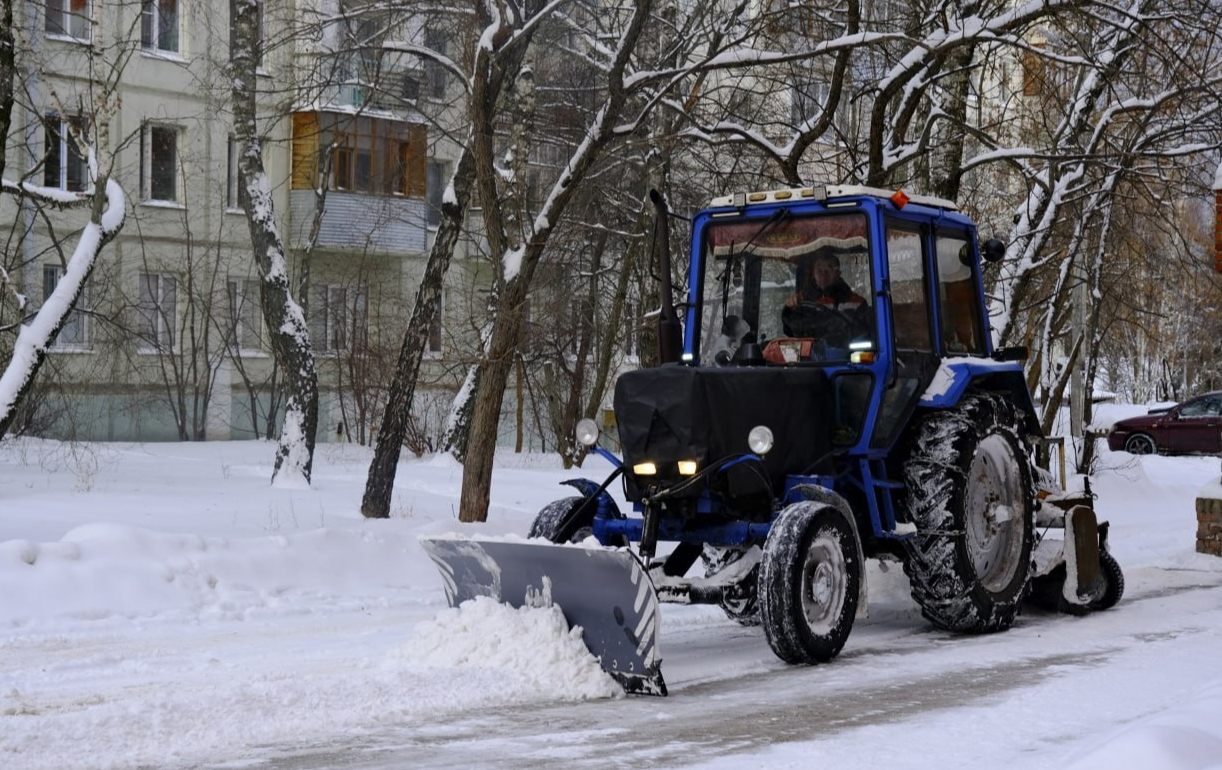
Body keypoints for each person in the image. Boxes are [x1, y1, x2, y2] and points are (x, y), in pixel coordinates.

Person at [781, 250, 872, 346]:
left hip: (843, 356)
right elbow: (790, 331)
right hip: (808, 357)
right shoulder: (799, 301)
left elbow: (862, 336)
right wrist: (788, 308)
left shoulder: (856, 302)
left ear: (838, 273)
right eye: (819, 269)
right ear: (814, 274)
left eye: (829, 268)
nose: (823, 273)